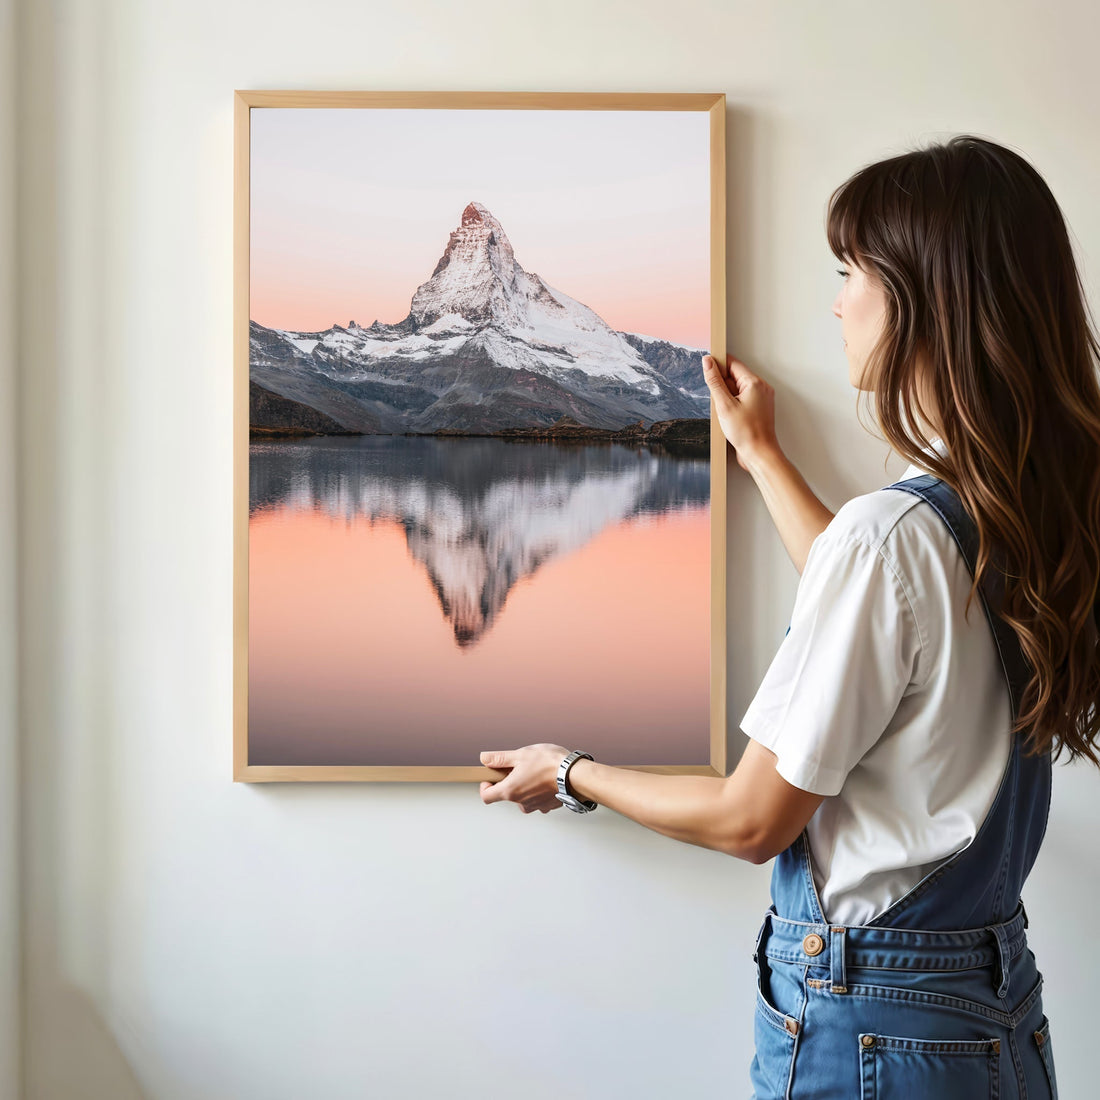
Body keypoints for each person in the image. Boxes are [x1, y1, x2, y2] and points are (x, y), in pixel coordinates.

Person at [477, 134, 1100, 1098]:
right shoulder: (1018, 509)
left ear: (925, 300)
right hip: (989, 1014)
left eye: (852, 271)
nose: (838, 299)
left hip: (873, 1029)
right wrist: (763, 456)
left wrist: (569, 771)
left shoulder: (895, 536)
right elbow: (889, 624)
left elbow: (750, 819)